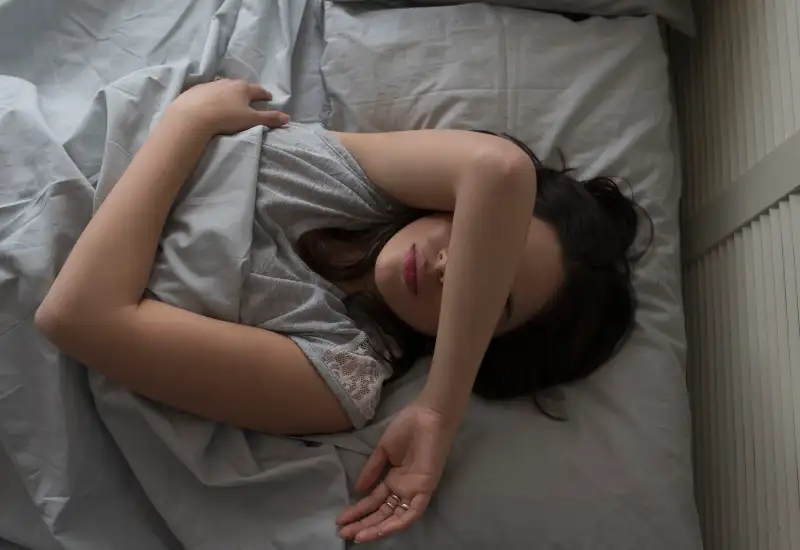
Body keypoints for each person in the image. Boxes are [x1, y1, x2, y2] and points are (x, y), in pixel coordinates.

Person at [36, 79, 649, 544]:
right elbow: (499, 169)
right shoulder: (350, 175)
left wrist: (186, 123)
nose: (446, 269)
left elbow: (78, 316)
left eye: (495, 302)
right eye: (482, 245)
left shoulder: (339, 372)